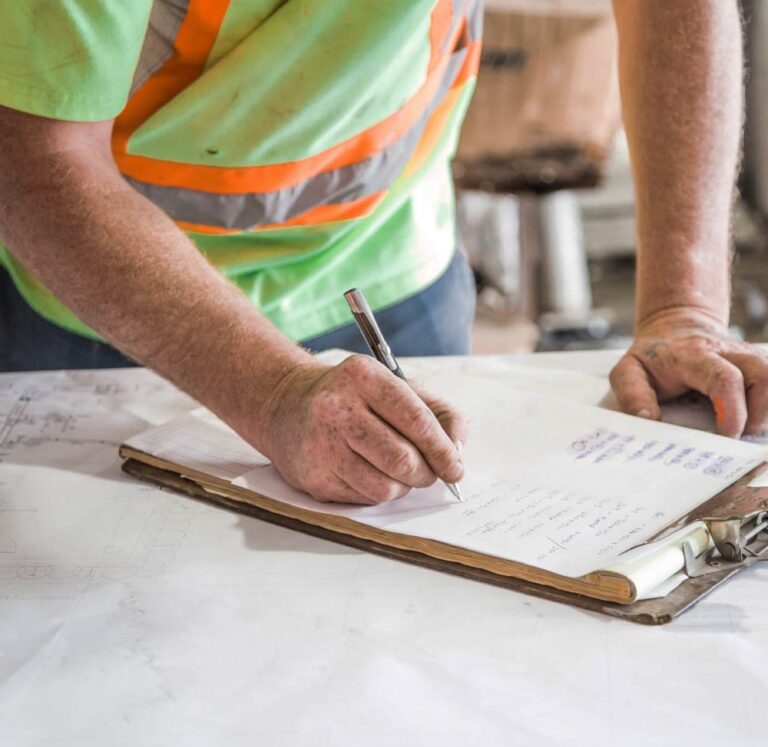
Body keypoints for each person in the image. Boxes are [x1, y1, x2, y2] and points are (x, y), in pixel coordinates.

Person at [0, 1, 764, 505]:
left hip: (392, 266)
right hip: (105, 308)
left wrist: (682, 305)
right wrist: (267, 390)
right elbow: (30, 158)